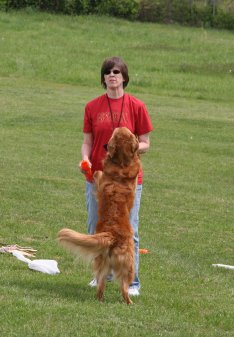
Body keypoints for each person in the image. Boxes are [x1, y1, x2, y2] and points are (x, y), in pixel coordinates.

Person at [80, 56, 153, 297]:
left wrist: (130, 148)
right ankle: (102, 275)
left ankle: (132, 282)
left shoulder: (136, 106)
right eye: (108, 72)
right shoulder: (92, 107)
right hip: (99, 178)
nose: (112, 75)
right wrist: (86, 160)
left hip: (129, 181)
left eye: (117, 72)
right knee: (97, 227)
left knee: (128, 230)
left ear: (124, 77)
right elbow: (87, 142)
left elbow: (145, 143)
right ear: (103, 78)